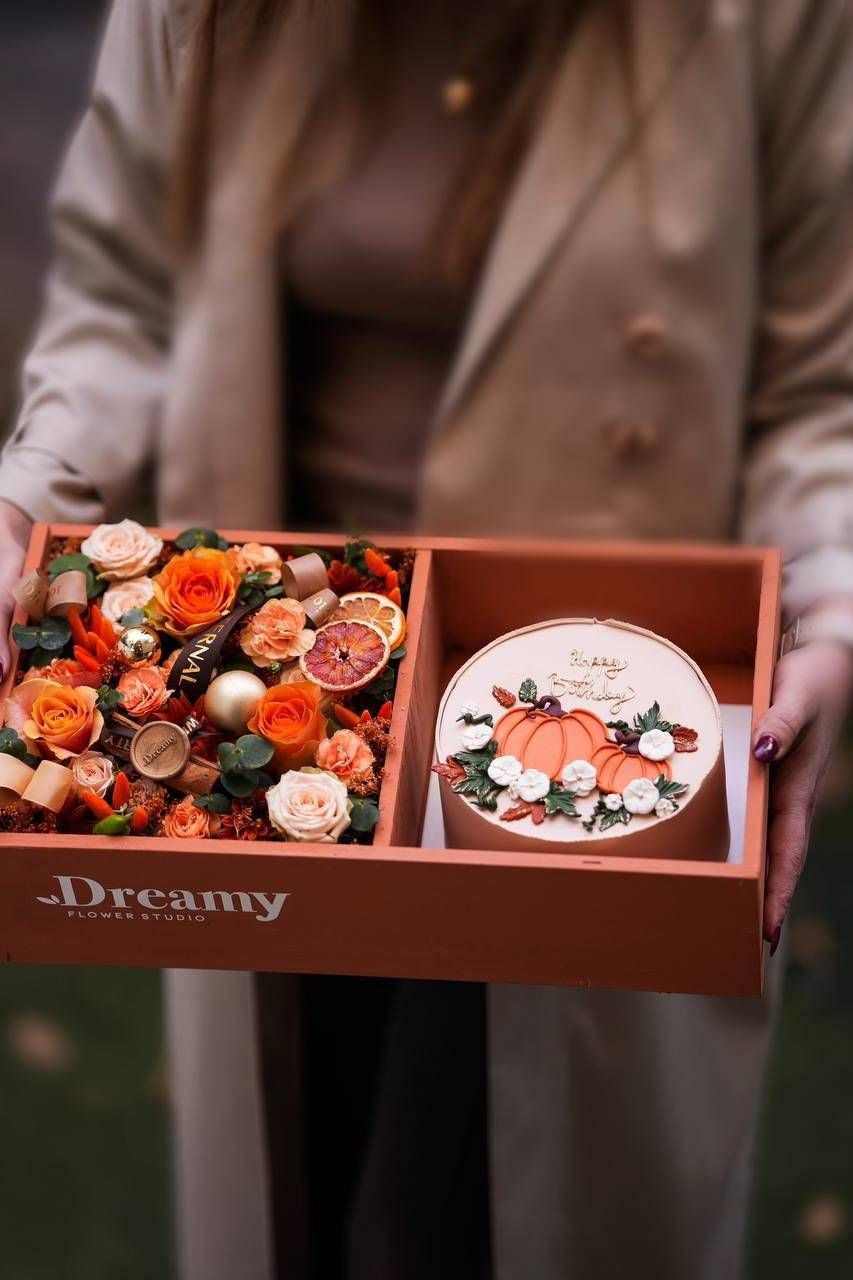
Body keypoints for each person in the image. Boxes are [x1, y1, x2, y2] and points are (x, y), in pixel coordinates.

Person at [2, 2, 853, 1278]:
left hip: (608, 705)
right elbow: (126, 298)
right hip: (271, 690)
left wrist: (830, 612)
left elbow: (816, 387)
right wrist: (27, 498)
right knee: (306, 1167)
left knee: (459, 1216)